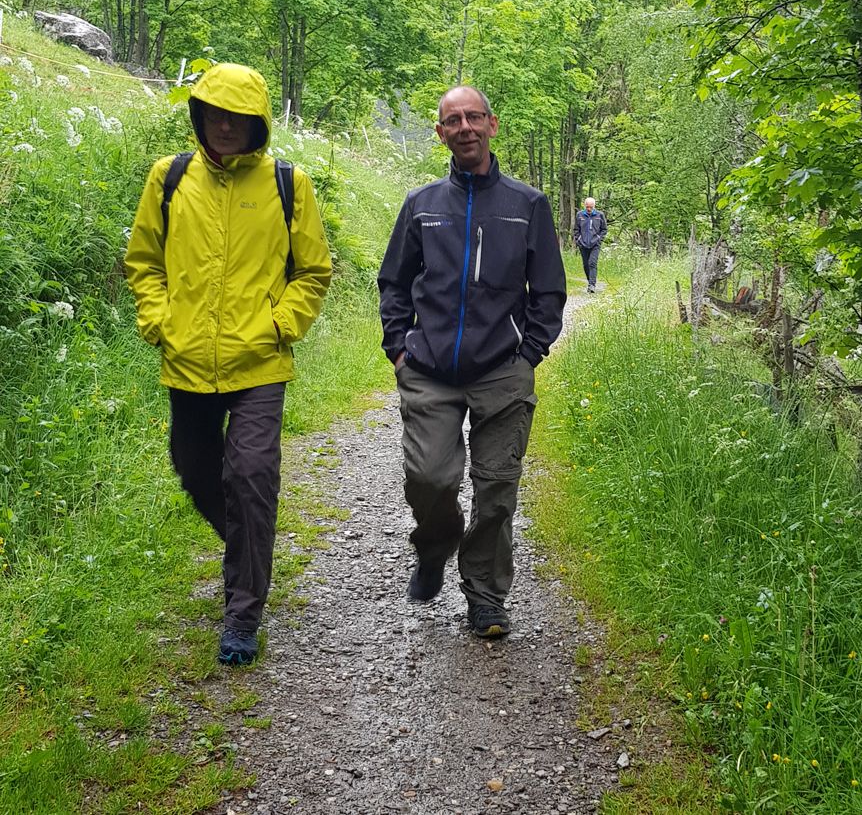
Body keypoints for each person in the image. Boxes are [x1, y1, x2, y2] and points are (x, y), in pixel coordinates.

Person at [125, 63, 332, 666]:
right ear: (199, 116)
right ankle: (248, 545)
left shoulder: (288, 184)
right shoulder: (169, 177)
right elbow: (144, 262)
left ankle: (243, 611)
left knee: (250, 476)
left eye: (237, 118)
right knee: (193, 470)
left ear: (257, 125)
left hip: (259, 362)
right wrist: (160, 323)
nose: (223, 125)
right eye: (213, 113)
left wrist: (279, 326)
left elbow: (313, 271)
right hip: (186, 360)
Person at [378, 86, 567, 638]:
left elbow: (549, 291)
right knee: (430, 478)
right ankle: (435, 543)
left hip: (502, 372)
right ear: (440, 134)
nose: (464, 127)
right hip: (429, 370)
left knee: (496, 489)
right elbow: (394, 282)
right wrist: (399, 347)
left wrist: (529, 353)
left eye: (473, 117)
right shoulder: (421, 205)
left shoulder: (527, 205)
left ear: (493, 124)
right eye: (452, 121)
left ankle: (486, 597)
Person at [574, 197, 607, 293]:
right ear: (585, 206)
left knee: (592, 263)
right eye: (587, 207)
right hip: (583, 244)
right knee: (586, 265)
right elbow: (576, 229)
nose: (589, 209)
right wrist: (578, 240)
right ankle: (590, 281)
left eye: (591, 207)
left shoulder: (600, 215)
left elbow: (604, 229)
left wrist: (599, 239)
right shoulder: (580, 215)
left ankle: (592, 285)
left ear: (594, 206)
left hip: (595, 244)